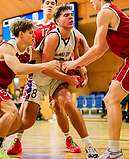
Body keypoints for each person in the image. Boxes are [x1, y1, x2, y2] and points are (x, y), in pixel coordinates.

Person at [62, 0, 129, 158]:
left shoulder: (104, 13)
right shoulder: (112, 12)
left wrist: (75, 63)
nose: (91, 2)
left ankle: (114, 152)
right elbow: (101, 50)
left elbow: (97, 48)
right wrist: (80, 64)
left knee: (110, 100)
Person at [12, 4, 99, 159]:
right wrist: (69, 78)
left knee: (64, 104)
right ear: (43, 6)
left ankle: (85, 144)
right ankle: (7, 139)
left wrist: (81, 68)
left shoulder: (73, 32)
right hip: (38, 75)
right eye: (66, 15)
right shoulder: (39, 29)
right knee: (27, 119)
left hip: (56, 77)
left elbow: (79, 53)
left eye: (54, 2)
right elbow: (45, 66)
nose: (71, 17)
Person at [0, 18, 60, 159]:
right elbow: (18, 68)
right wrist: (46, 65)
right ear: (20, 34)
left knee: (17, 123)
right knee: (12, 112)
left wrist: (75, 65)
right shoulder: (8, 47)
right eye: (30, 33)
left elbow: (48, 59)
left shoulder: (29, 51)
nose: (34, 36)